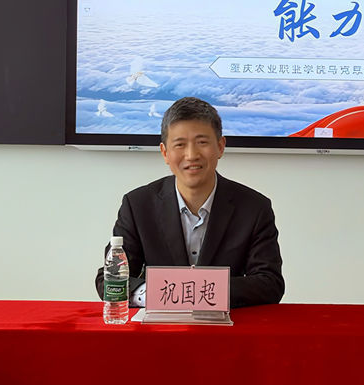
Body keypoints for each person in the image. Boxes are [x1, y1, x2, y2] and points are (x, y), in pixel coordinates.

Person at [95, 97, 284, 308]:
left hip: (230, 324)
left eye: (202, 142)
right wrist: (154, 295)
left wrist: (196, 294)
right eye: (180, 145)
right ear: (165, 153)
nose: (192, 155)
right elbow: (109, 280)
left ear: (220, 147)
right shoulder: (138, 205)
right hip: (160, 325)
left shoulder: (254, 207)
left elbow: (270, 283)